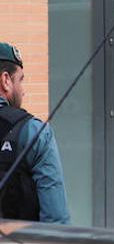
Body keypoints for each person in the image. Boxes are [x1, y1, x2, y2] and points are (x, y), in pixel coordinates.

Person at [0, 43, 69, 224]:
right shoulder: (33, 133)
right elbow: (55, 222)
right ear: (6, 80)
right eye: (20, 80)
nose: (23, 90)